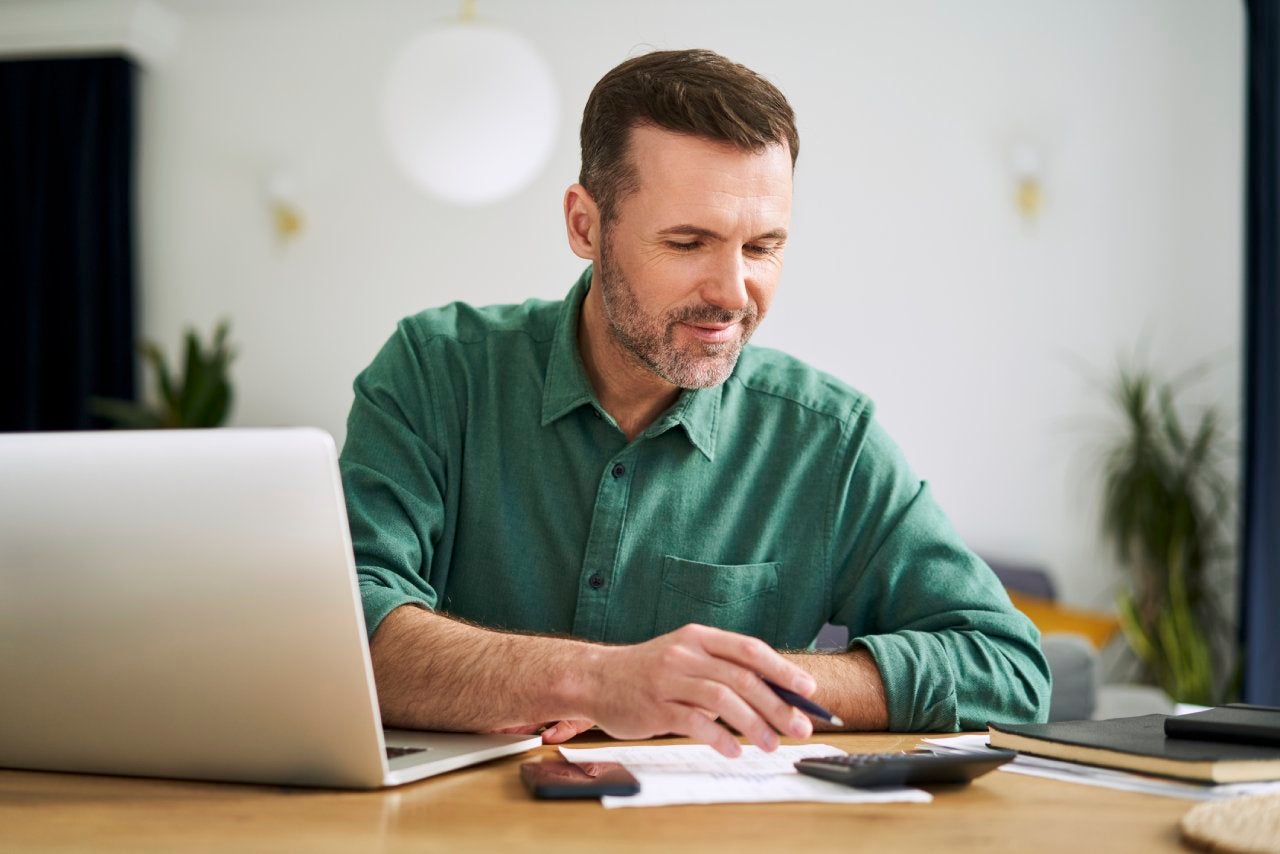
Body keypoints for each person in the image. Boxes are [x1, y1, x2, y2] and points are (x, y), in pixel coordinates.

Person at [340, 49, 1050, 758]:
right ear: (586, 226)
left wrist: (739, 685)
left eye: (763, 247)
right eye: (688, 242)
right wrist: (598, 680)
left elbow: (1010, 669)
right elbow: (344, 630)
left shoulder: (826, 438)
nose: (734, 293)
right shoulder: (436, 373)